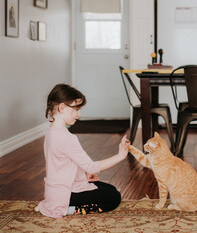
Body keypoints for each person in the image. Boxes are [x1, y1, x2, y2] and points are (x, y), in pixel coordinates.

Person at [36, 84, 130, 218]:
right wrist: (120, 155)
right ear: (62, 108)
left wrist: (85, 174)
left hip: (55, 191)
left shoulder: (51, 131)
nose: (79, 114)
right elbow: (92, 166)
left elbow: (63, 165)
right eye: (77, 109)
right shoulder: (67, 137)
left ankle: (65, 202)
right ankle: (71, 209)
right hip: (66, 195)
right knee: (114, 196)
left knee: (110, 188)